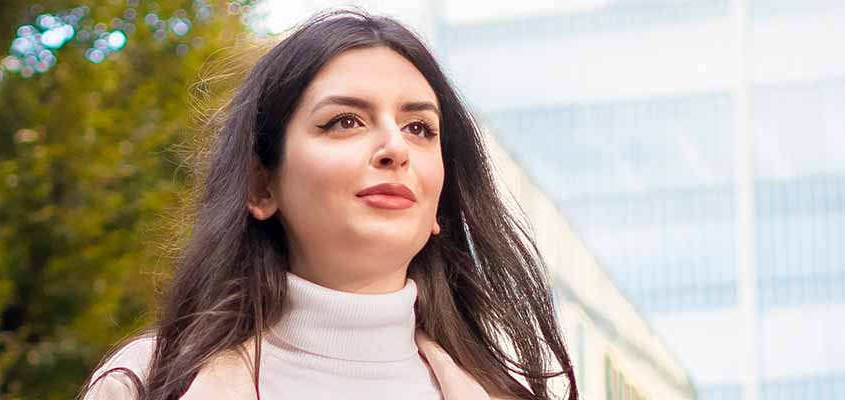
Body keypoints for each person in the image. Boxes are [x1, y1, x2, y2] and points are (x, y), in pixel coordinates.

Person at [81, 9, 578, 400]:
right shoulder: (147, 385)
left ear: (441, 208)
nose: (395, 148)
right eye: (345, 121)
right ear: (261, 186)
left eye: (419, 128)